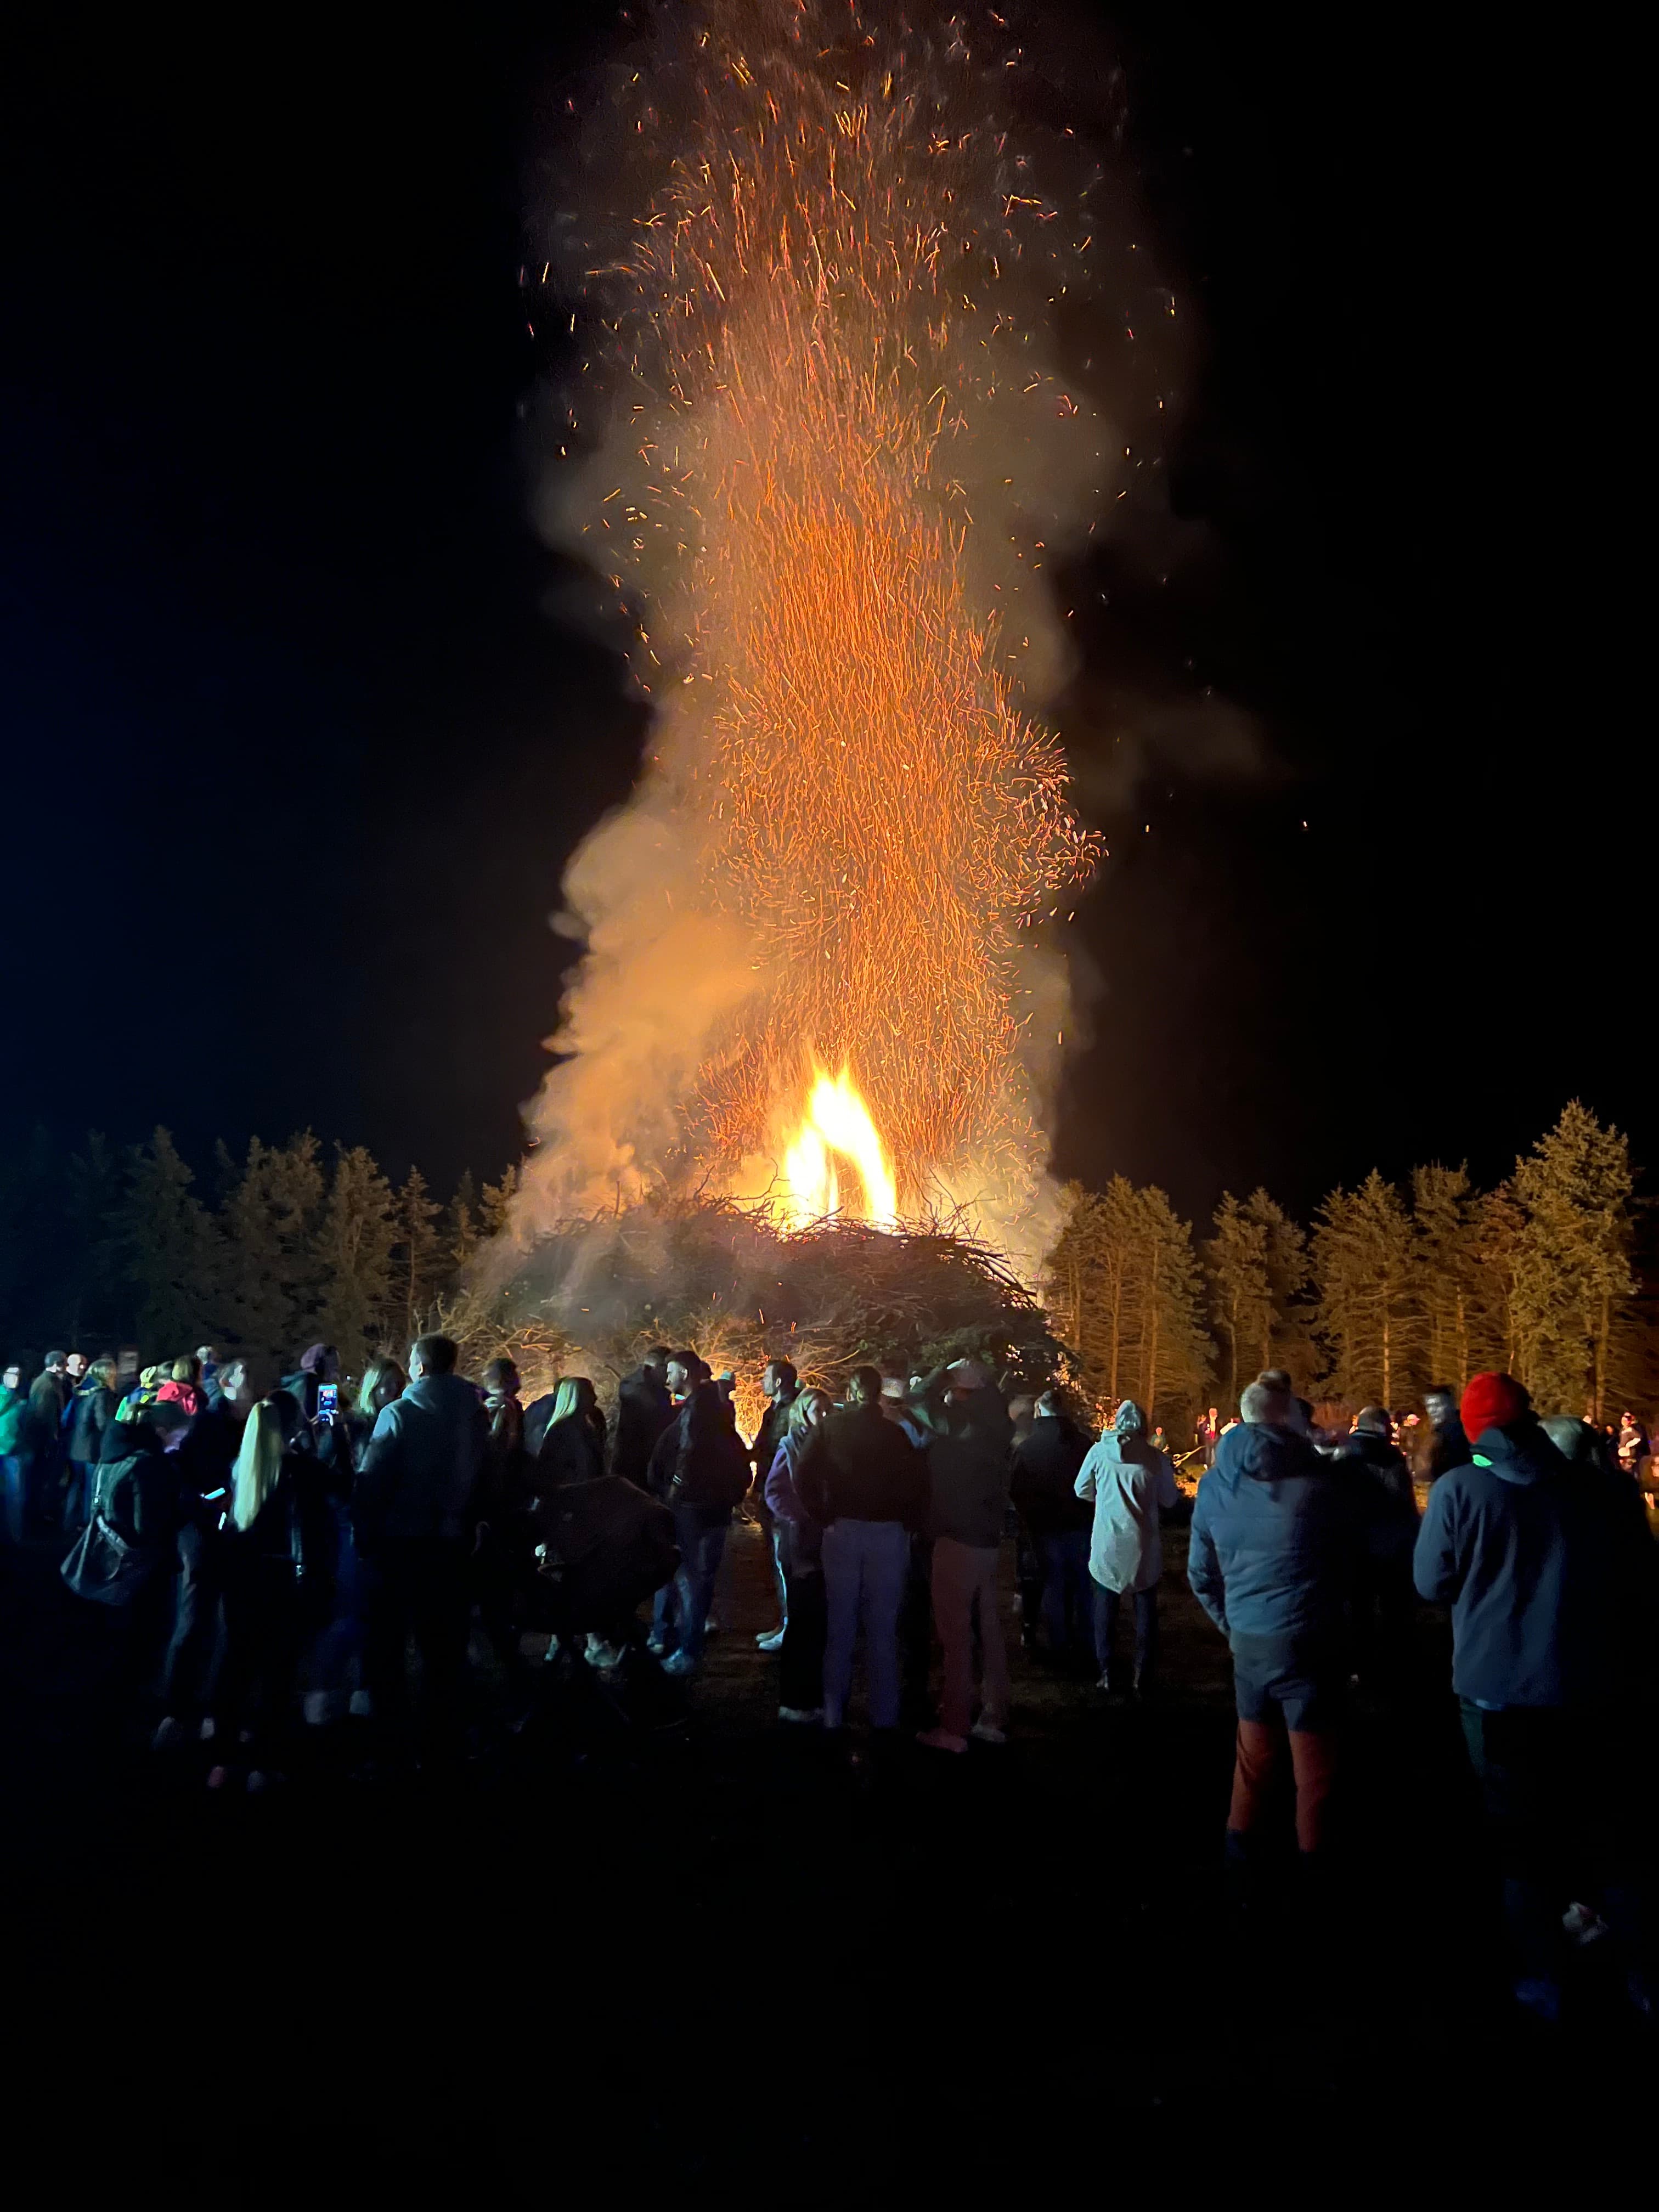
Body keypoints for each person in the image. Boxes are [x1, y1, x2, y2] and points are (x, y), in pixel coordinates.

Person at [1415, 1372, 1655, 2020]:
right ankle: (1639, 1974)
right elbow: (1639, 1584)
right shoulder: (1604, 1492)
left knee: (1520, 1839)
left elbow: (1430, 1582)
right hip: (1591, 1687)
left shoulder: (1462, 1490)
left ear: (1475, 1433)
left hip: (1497, 1693)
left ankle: (1547, 1979)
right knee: (1609, 1830)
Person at [1188, 1372, 1361, 1880]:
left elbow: (1201, 1574)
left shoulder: (1216, 1483)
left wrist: (1232, 1625)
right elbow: (1354, 1558)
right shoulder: (1323, 1483)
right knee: (1315, 1771)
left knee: (1253, 1760)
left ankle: (1239, 1866)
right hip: (1310, 1642)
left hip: (1251, 1644)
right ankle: (1315, 1873)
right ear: (1287, 1417)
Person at [353, 1334, 488, 1768]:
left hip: (400, 1544)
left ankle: (390, 1738)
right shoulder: (475, 1414)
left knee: (389, 1642)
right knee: (445, 1644)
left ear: (420, 1367)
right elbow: (489, 1473)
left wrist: (365, 1531)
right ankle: (444, 1737)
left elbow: (372, 1481)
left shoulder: (399, 1414)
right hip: (452, 1543)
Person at [798, 1365, 927, 1735]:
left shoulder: (830, 1429)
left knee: (840, 1624)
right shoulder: (895, 1435)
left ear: (852, 1393)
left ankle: (834, 1712)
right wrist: (909, 1522)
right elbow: (917, 1482)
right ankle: (884, 1714)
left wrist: (821, 1515)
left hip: (842, 1529)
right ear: (878, 1395)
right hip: (887, 1533)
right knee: (883, 1627)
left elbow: (803, 1473)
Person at [208, 1398, 321, 1790]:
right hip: (282, 1578)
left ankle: (222, 1758)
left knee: (236, 1666)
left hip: (242, 1579)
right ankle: (265, 1760)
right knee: (278, 1671)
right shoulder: (299, 1471)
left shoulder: (241, 1469)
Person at [914, 1360, 1014, 1752]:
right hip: (987, 1539)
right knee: (989, 1631)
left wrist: (942, 1370)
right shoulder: (996, 1422)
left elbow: (916, 1399)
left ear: (962, 1390)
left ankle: (954, 1725)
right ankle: (995, 1714)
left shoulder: (962, 1425)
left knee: (955, 1636)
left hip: (957, 1537)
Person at [644, 1378, 749, 1675]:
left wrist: (670, 1495)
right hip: (715, 1515)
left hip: (686, 1514)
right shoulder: (727, 1435)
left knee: (685, 1580)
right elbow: (744, 1473)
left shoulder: (678, 1430)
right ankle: (689, 1643)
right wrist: (730, 1498)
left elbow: (655, 1470)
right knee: (700, 1583)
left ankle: (678, 1641)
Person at [1076, 1398, 1180, 1693]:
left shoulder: (1099, 1452)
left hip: (1108, 1542)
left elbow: (1081, 1489)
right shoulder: (1155, 1459)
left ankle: (1107, 1672)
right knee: (1145, 1611)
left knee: (1104, 1610)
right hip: (1143, 1546)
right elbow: (1170, 1500)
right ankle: (1142, 1674)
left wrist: (1106, 1500)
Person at [1335, 1406, 1419, 1690]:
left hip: (1353, 1547)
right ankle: (1394, 1668)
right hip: (1389, 1548)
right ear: (1382, 1427)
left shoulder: (1343, 1456)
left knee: (1359, 1610)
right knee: (1394, 1611)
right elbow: (1402, 1504)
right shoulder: (1391, 1459)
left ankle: (1360, 1668)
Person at [1009, 1389, 1094, 1668]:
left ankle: (1059, 1644)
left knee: (1054, 1585)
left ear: (1041, 1411)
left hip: (1044, 1528)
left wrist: (1029, 1517)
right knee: (1083, 1586)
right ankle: (1086, 1644)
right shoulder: (1084, 1445)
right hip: (1080, 1525)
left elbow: (1016, 1491)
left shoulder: (1028, 1448)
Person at [764, 1386, 833, 1720]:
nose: (824, 1416)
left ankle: (811, 1696)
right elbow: (774, 1490)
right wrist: (800, 1516)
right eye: (817, 1410)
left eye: (827, 1409)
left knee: (818, 1615)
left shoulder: (827, 1445)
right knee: (803, 1612)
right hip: (800, 1538)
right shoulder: (791, 1445)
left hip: (822, 1537)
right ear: (803, 1413)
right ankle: (795, 1699)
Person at [748, 1358, 800, 1650]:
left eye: (766, 1377)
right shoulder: (777, 1410)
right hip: (772, 1496)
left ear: (779, 1382)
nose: (762, 1382)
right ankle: (784, 1622)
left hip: (780, 1499)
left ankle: (790, 1627)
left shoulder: (788, 1412)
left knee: (784, 1563)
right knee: (778, 1561)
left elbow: (776, 1452)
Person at [64, 1356, 120, 1534]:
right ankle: (89, 1524)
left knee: (76, 1484)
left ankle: (68, 1522)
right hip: (93, 1449)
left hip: (76, 1446)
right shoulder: (102, 1394)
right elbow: (103, 1423)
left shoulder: (80, 1390)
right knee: (92, 1487)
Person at [610, 1346, 675, 1488]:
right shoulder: (639, 1389)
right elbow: (660, 1419)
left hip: (642, 1461)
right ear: (658, 1367)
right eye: (669, 1368)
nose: (671, 1374)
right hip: (637, 1463)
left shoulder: (641, 1386)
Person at [534, 1376, 607, 1489]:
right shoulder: (564, 1429)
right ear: (577, 1397)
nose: (595, 1398)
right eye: (589, 1393)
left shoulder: (585, 1424)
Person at [1414, 1385, 1469, 1488]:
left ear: (1451, 1404)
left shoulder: (1461, 1433)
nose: (1433, 1411)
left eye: (1438, 1405)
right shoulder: (1428, 1431)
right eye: (1429, 1406)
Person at [1, 1362, 30, 1547]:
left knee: (15, 1495)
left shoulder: (21, 1401)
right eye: (11, 1374)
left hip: (14, 1453)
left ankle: (15, 1536)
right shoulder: (17, 1401)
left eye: (18, 1375)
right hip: (12, 1453)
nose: (15, 1378)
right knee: (14, 1494)